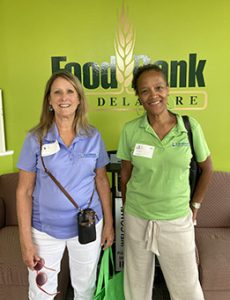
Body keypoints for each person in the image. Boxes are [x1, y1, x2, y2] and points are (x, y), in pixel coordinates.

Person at [116, 64, 213, 300]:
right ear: (139, 97)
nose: (153, 95)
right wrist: (130, 208)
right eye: (145, 90)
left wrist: (195, 206)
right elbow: (125, 175)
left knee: (186, 287)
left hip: (177, 218)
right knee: (136, 284)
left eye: (158, 87)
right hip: (137, 217)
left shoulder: (189, 127)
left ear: (168, 90)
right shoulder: (131, 130)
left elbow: (206, 168)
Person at [16, 71, 114, 300]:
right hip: (45, 230)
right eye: (57, 92)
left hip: (88, 225)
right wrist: (25, 241)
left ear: (79, 99)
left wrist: (109, 223)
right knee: (41, 291)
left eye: (70, 91)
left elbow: (101, 180)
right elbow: (24, 191)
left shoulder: (93, 136)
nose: (64, 97)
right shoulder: (35, 138)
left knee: (85, 288)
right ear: (49, 100)